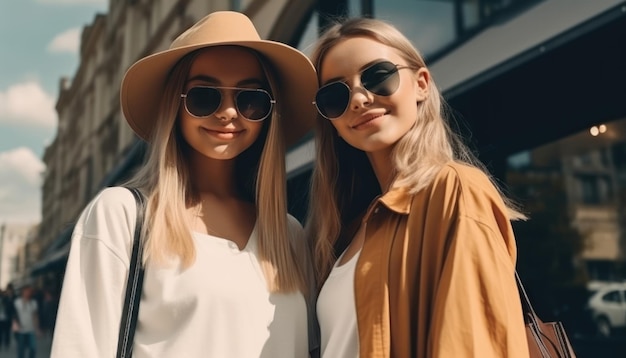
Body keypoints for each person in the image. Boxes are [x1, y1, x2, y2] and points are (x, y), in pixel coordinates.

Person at [51, 11, 318, 358]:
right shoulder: (122, 216)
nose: (227, 112)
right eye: (204, 96)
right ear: (173, 106)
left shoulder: (289, 235)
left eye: (250, 99)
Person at [307, 17, 530, 358]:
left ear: (422, 83)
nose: (359, 99)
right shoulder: (345, 229)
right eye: (335, 94)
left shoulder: (455, 190)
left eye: (377, 76)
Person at [13, 284, 40, 358]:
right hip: (20, 330)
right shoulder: (17, 302)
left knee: (33, 348)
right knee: (21, 350)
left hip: (31, 329)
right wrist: (15, 325)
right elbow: (14, 315)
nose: (28, 293)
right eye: (26, 291)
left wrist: (37, 329)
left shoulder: (33, 303)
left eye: (29, 291)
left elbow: (35, 316)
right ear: (22, 292)